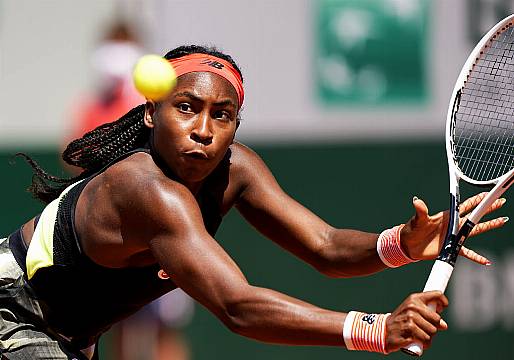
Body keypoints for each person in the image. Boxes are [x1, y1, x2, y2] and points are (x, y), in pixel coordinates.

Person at [0, 45, 506, 360]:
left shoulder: (236, 168)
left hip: (64, 334)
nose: (203, 130)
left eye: (222, 115)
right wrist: (377, 329)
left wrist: (398, 244)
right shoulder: (145, 189)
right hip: (14, 315)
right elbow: (237, 306)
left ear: (236, 126)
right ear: (152, 116)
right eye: (186, 108)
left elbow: (325, 247)